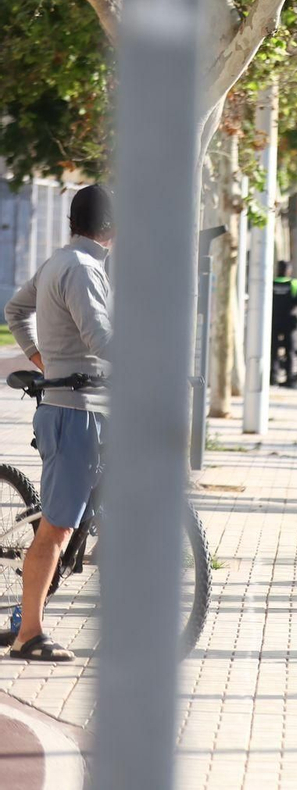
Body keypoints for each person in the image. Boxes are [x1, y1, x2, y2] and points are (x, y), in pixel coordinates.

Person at [2, 184, 113, 661]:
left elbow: (15, 311)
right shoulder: (83, 269)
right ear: (112, 227)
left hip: (80, 407)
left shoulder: (58, 262)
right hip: (75, 411)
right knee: (57, 528)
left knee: (77, 519)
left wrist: (40, 357)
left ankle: (25, 615)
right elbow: (101, 339)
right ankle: (28, 634)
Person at [270, 260, 297, 387]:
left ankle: (272, 378)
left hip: (273, 321)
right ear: (288, 271)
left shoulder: (271, 283)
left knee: (272, 350)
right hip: (288, 322)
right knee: (290, 350)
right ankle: (289, 379)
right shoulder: (294, 284)